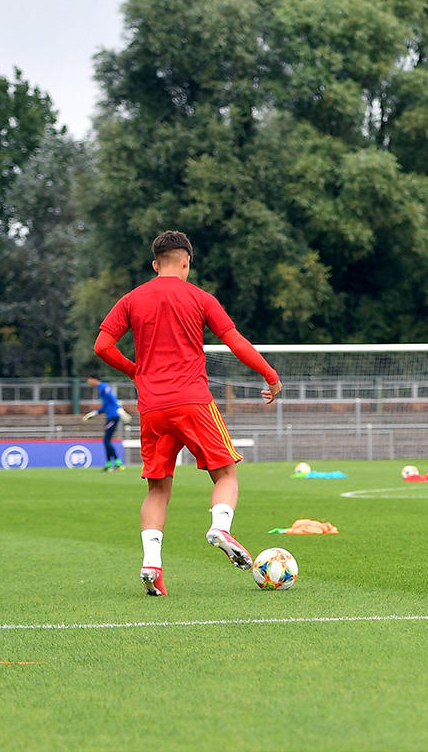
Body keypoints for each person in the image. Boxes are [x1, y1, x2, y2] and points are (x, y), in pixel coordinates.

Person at [93, 230, 283, 597]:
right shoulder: (200, 297)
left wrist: (135, 370)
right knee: (226, 474)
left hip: (152, 407)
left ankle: (152, 564)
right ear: (186, 261)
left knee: (158, 489)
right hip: (193, 401)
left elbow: (102, 345)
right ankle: (220, 527)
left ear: (154, 264)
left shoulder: (132, 299)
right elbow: (235, 340)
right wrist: (270, 375)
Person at [85, 373, 126, 471]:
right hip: (110, 416)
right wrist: (95, 413)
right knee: (106, 440)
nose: (88, 382)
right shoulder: (100, 390)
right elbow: (106, 406)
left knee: (106, 440)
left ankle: (118, 462)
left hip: (113, 416)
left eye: (89, 379)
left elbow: (112, 398)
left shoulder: (103, 387)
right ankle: (108, 464)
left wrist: (119, 409)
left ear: (94, 379)